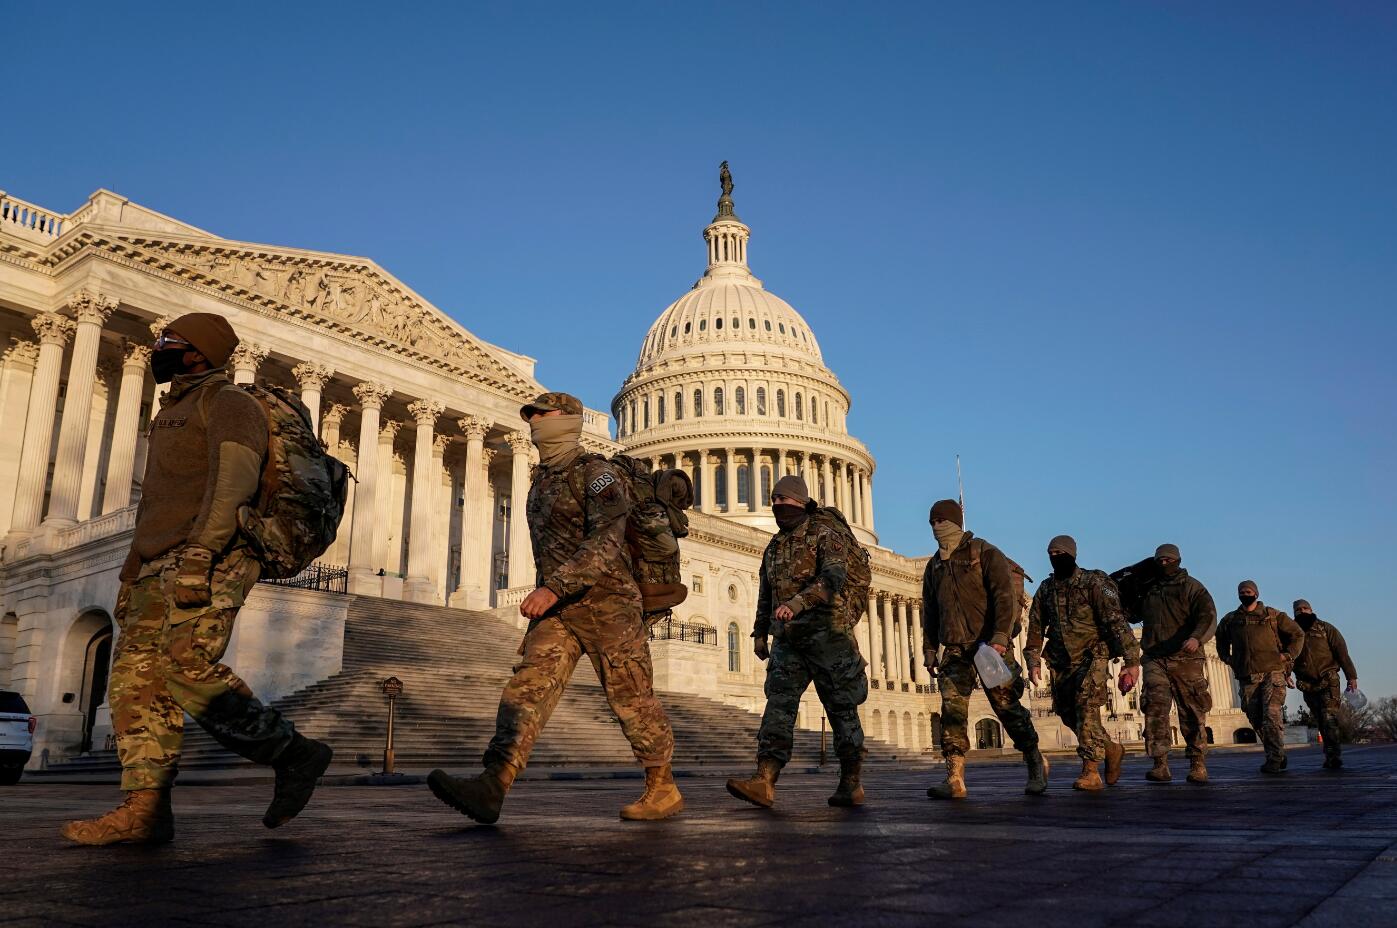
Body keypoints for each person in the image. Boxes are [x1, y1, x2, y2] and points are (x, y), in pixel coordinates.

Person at [61, 314, 332, 846]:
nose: (158, 345)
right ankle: (145, 808)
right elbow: (156, 501)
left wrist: (202, 553)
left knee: (185, 666)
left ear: (198, 352)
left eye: (170, 340)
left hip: (210, 555)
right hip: (153, 562)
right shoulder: (171, 411)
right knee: (135, 682)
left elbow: (234, 483)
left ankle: (292, 752)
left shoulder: (228, 403)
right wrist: (133, 565)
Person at [427, 392, 681, 823]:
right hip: (560, 609)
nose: (533, 421)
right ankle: (494, 782)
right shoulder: (541, 481)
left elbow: (608, 539)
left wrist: (554, 587)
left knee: (632, 697)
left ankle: (662, 785)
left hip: (609, 604)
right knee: (526, 688)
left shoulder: (597, 474)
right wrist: (552, 591)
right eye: (530, 415)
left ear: (567, 419)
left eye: (542, 414)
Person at [726, 476, 868, 809]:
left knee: (841, 708)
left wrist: (799, 603)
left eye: (784, 500)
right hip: (788, 639)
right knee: (778, 705)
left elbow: (833, 577)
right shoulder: (775, 545)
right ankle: (764, 779)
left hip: (827, 635)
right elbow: (766, 593)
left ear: (801, 502)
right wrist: (760, 632)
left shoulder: (824, 534)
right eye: (774, 500)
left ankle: (851, 780)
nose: (778, 506)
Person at [921, 500, 1047, 798]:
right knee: (952, 712)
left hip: (989, 646)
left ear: (955, 522)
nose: (937, 527)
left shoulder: (984, 552)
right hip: (954, 648)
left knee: (1007, 707)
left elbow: (1004, 596)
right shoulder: (934, 566)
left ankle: (1035, 761)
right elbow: (931, 611)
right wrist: (930, 649)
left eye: (941, 521)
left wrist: (1000, 636)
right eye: (932, 522)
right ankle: (954, 777)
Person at [1025, 535, 1141, 791]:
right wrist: (1033, 661)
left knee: (1086, 709)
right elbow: (1035, 626)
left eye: (1060, 554)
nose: (1055, 558)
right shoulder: (1046, 589)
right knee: (1068, 714)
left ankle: (1091, 771)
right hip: (1061, 661)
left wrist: (1131, 660)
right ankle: (1111, 748)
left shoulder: (1094, 582)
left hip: (1092, 657)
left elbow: (1116, 621)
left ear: (1072, 555)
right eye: (1051, 554)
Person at [1133, 543, 1217, 784]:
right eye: (1160, 560)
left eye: (1168, 560)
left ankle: (1197, 763)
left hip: (1185, 656)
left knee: (1191, 709)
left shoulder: (1192, 587)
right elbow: (1130, 613)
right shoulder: (1149, 589)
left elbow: (1207, 615)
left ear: (1178, 561)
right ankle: (1160, 763)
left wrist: (1197, 637)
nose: (1164, 564)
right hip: (1155, 656)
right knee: (1155, 707)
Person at [1217, 581, 1304, 775]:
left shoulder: (1273, 616)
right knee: (1255, 717)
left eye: (1248, 591)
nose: (1244, 594)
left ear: (1256, 594)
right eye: (1241, 592)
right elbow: (1220, 640)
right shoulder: (1231, 620)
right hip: (1247, 677)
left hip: (1272, 673)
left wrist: (1288, 655)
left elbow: (1298, 634)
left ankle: (1274, 759)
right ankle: (1277, 752)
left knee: (1271, 715)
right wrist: (1228, 659)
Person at [1291, 599, 1359, 770]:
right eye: (1298, 609)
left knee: (1329, 718)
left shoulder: (1326, 629)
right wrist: (1285, 675)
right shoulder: (1290, 632)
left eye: (1305, 608)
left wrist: (1351, 677)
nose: (1302, 611)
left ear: (1311, 609)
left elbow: (1342, 653)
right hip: (1307, 684)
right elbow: (1286, 656)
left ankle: (1333, 755)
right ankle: (1329, 752)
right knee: (1321, 720)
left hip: (1328, 680)